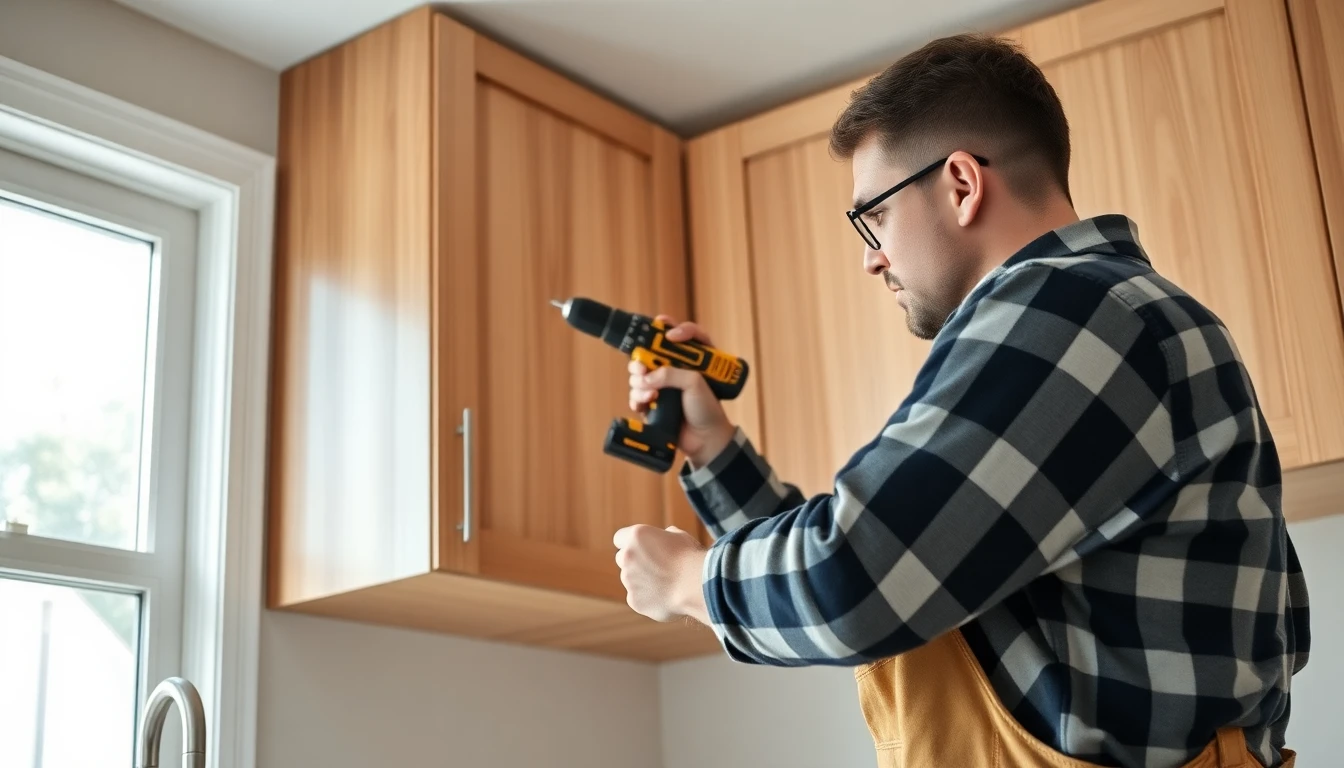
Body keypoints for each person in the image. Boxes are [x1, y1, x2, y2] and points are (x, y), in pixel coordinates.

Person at [611, 32, 1310, 768]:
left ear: (961, 184)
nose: (870, 256)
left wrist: (690, 582)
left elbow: (857, 581)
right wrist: (713, 449)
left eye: (872, 216)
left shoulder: (1074, 312)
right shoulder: (1092, 319)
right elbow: (885, 566)